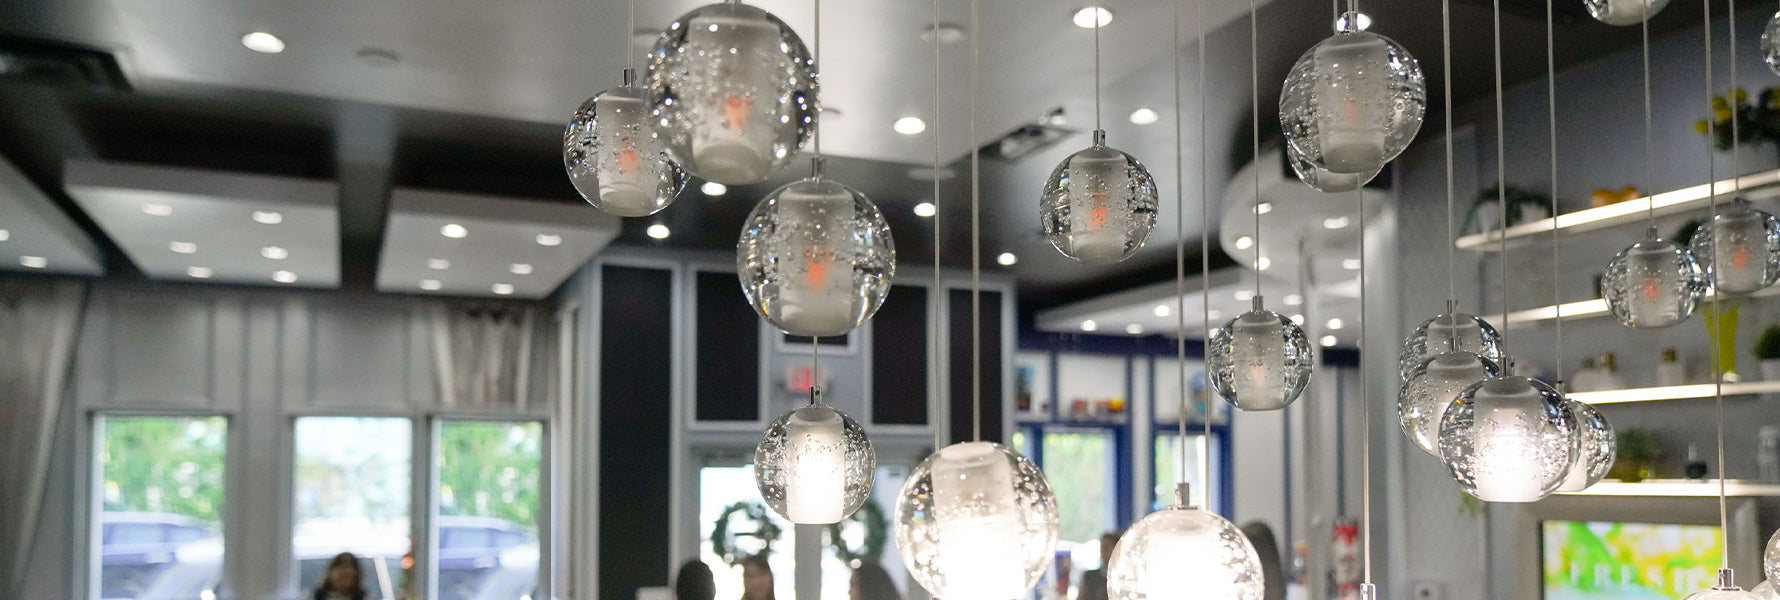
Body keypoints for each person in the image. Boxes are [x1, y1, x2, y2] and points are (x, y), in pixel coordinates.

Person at [1077, 531, 1122, 600]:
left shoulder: (1124, 579)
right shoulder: (1090, 577)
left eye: (1106, 547)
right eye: (1102, 547)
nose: (1103, 550)